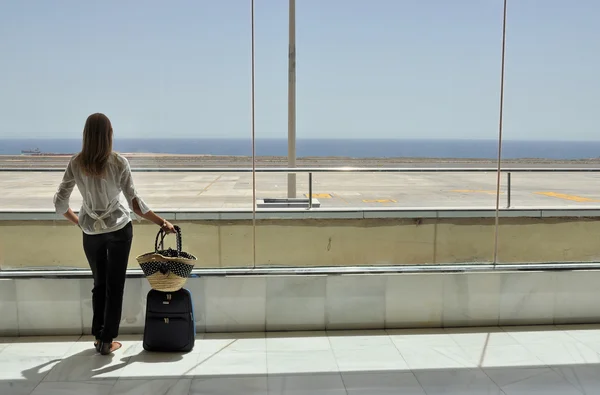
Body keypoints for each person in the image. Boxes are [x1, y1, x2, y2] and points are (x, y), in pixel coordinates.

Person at [53, 113, 175, 355]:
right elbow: (135, 204)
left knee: (99, 283)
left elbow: (59, 203)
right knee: (115, 285)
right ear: (109, 134)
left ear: (85, 135)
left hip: (91, 231)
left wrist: (80, 222)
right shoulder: (118, 162)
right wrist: (162, 222)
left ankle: (98, 337)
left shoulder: (76, 163)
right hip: (119, 229)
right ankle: (107, 340)